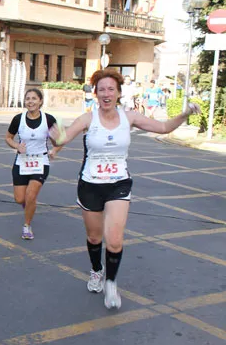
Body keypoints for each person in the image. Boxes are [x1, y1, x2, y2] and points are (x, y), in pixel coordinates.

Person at [49, 68, 200, 309]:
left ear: (119, 93)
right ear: (95, 94)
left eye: (111, 89)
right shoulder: (88, 119)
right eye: (101, 90)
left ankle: (111, 283)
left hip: (118, 184)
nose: (106, 94)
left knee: (115, 240)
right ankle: (97, 270)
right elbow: (63, 138)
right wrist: (55, 137)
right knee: (94, 236)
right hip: (90, 185)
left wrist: (184, 114)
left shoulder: (129, 117)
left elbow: (162, 128)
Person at [5, 89, 60, 240]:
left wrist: (55, 150)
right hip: (22, 162)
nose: (30, 101)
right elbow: (8, 138)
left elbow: (61, 139)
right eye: (28, 98)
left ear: (41, 101)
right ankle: (29, 206)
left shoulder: (49, 119)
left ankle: (27, 226)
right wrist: (16, 146)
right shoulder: (18, 119)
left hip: (40, 162)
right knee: (19, 199)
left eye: (34, 98)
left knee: (31, 195)